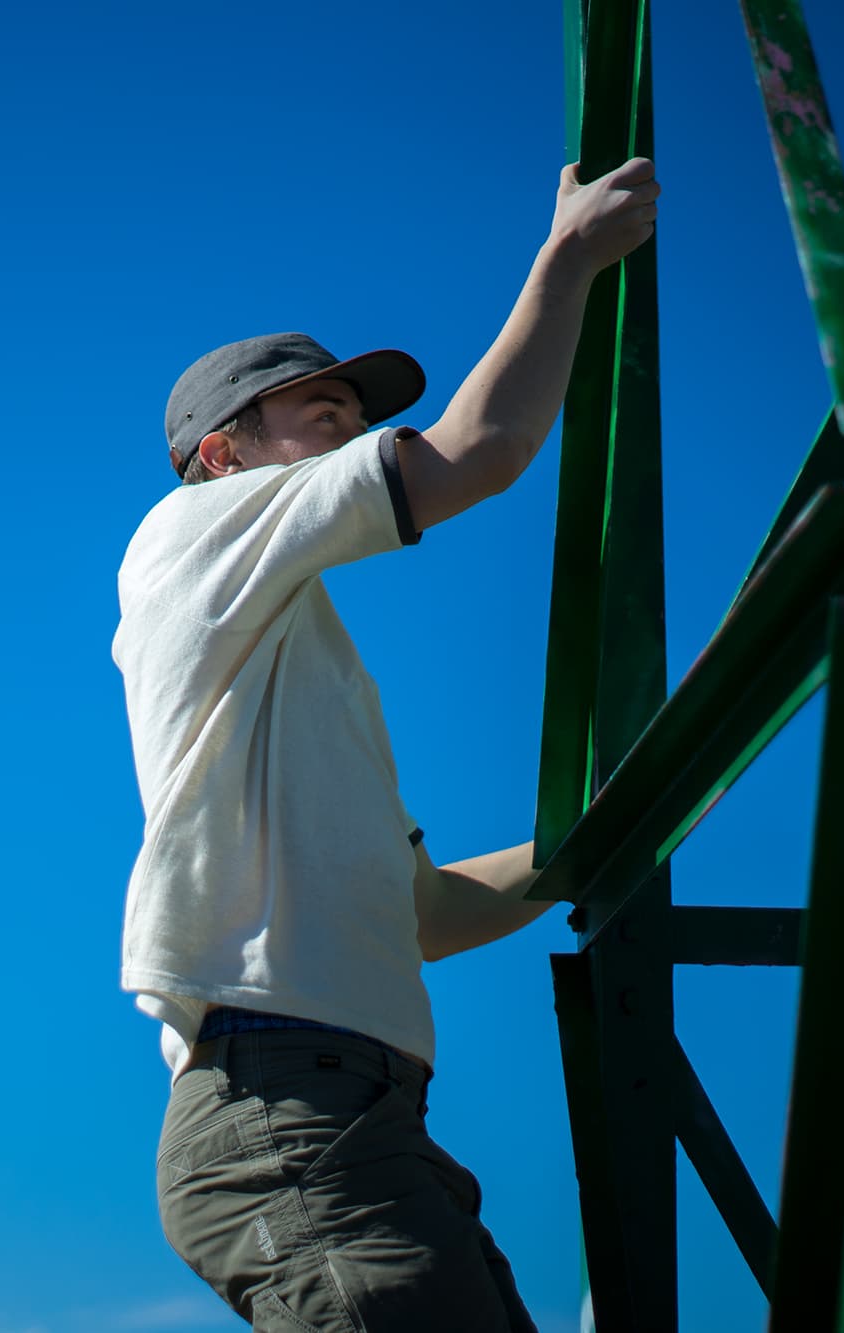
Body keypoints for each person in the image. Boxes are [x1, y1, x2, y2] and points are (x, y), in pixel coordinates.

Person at [112, 156, 660, 1331]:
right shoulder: (190, 533)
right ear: (221, 451)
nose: (354, 423)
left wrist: (607, 829)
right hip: (281, 1104)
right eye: (322, 408)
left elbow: (424, 915)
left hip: (355, 1110)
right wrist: (566, 260)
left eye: (355, 410)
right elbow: (479, 451)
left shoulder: (298, 683)